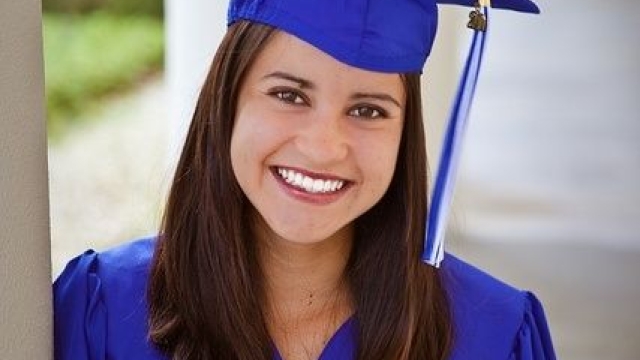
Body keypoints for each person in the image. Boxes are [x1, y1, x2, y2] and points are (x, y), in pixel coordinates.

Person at [54, 0, 557, 359]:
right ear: (227, 101)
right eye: (289, 95)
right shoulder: (101, 313)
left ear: (406, 134)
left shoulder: (493, 335)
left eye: (368, 109)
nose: (322, 146)